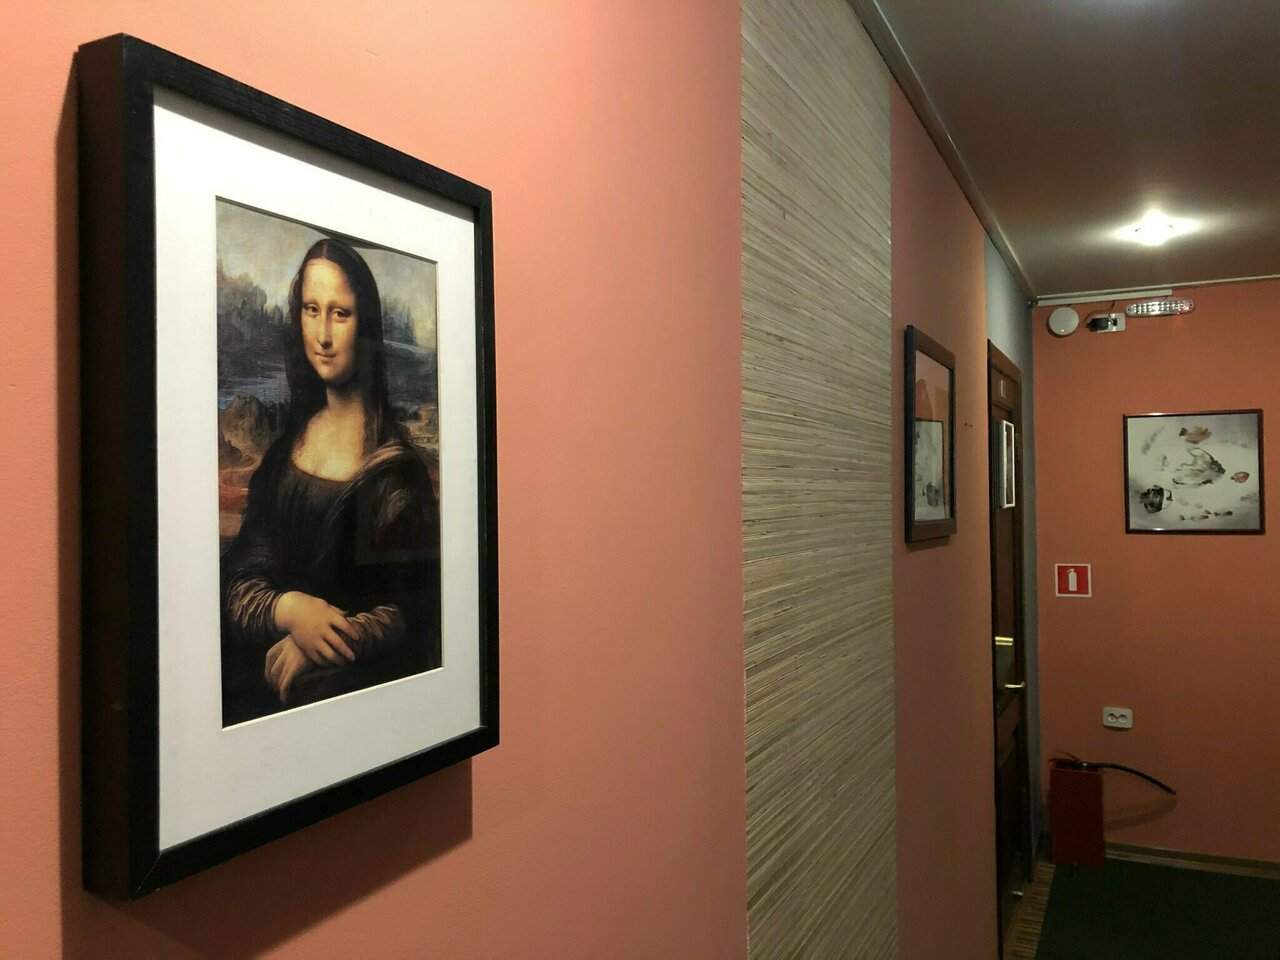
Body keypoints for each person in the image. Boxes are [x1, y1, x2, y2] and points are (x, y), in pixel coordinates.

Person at [220, 237, 440, 725]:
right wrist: (290, 610)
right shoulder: (285, 454)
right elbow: (239, 578)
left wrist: (320, 642)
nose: (322, 334)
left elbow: (413, 610)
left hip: (358, 709)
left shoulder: (395, 473)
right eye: (311, 310)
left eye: (340, 314)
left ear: (366, 325)